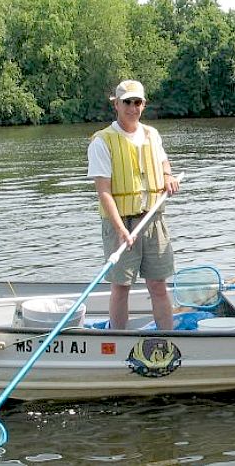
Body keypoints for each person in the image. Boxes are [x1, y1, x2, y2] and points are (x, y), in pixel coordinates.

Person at [87, 80, 179, 330]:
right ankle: (118, 339)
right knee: (121, 286)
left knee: (158, 285)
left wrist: (168, 176)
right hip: (121, 222)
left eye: (137, 102)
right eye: (127, 102)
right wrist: (120, 230)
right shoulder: (102, 141)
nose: (132, 107)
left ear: (143, 105)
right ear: (116, 105)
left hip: (153, 220)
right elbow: (104, 192)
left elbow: (163, 163)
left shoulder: (152, 135)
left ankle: (168, 338)